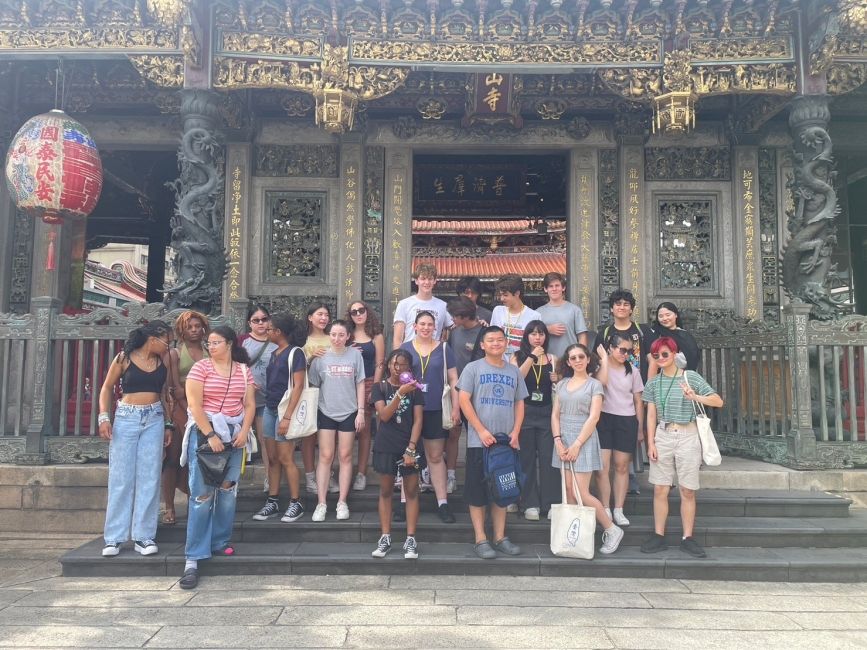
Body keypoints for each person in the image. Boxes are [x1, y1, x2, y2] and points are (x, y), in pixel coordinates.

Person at [179, 326, 256, 589]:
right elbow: (194, 404)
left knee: (227, 490)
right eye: (208, 343)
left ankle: (220, 541)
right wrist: (210, 433)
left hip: (234, 434)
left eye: (216, 342)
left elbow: (249, 404)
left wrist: (245, 430)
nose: (211, 346)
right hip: (205, 432)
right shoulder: (200, 368)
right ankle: (194, 555)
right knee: (201, 495)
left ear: (230, 343)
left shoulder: (244, 371)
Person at [640, 336, 723, 559]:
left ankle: (688, 537)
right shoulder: (653, 383)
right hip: (663, 434)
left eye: (665, 354)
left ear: (675, 353)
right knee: (660, 488)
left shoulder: (690, 377)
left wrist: (694, 396)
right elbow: (650, 414)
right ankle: (659, 535)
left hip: (688, 433)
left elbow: (718, 400)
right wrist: (650, 443)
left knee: (687, 488)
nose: (660, 359)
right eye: (656, 356)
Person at [98, 321, 172, 557]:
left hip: (155, 417)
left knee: (150, 476)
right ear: (154, 338)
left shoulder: (163, 361)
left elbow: (164, 394)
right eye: (167, 341)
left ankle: (143, 535)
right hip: (127, 417)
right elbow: (107, 387)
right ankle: (114, 537)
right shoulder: (124, 357)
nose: (169, 345)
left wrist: (168, 424)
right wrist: (103, 417)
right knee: (121, 476)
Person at [458, 326, 527, 559]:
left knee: (503, 490)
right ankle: (480, 539)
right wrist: (480, 430)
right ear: (482, 345)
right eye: (491, 340)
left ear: (506, 343)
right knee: (477, 491)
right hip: (480, 443)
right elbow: (464, 400)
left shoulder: (514, 372)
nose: (496, 343)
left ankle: (500, 537)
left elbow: (519, 403)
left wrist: (516, 432)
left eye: (500, 340)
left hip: (506, 443)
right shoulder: (472, 368)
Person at [551, 343, 625, 555]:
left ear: (587, 359)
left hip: (583, 438)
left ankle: (611, 529)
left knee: (581, 492)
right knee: (569, 491)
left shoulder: (594, 385)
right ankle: (574, 537)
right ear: (568, 362)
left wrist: (576, 445)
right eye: (572, 358)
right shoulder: (562, 384)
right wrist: (558, 440)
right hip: (563, 438)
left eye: (580, 356)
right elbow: (555, 414)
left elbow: (594, 417)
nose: (577, 361)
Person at [400, 311, 460, 523]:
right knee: (408, 456)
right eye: (422, 324)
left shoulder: (444, 348)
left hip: (435, 408)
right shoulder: (405, 348)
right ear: (414, 326)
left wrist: (456, 407)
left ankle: (442, 502)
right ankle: (405, 501)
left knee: (435, 457)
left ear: (435, 327)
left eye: (429, 324)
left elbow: (453, 378)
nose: (426, 327)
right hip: (410, 409)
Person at [252, 312, 307, 524]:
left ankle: (296, 501)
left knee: (286, 458)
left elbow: (299, 386)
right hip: (270, 407)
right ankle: (273, 500)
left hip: (284, 411)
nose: (266, 330)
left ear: (279, 332)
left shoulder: (295, 353)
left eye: (270, 327)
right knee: (272, 457)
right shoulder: (275, 353)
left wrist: (287, 417)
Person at [308, 319, 366, 522]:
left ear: (348, 336)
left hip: (349, 411)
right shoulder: (321, 357)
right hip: (326, 410)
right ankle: (321, 503)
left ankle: (342, 501)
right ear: (329, 335)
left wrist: (361, 411)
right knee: (325, 455)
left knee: (346, 455)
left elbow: (360, 383)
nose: (337, 338)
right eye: (333, 334)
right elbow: (313, 384)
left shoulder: (355, 355)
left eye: (341, 335)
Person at [371, 349, 425, 559]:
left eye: (402, 364)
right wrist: (400, 393)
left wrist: (411, 447)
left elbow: (418, 420)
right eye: (393, 363)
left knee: (411, 491)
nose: (397, 368)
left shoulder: (415, 389)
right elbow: (384, 415)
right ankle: (385, 536)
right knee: (385, 491)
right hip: (386, 444)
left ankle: (410, 538)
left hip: (409, 444)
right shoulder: (380, 387)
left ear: (408, 367)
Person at [595, 289, 650, 495]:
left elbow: (653, 357)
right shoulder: (605, 333)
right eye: (618, 304)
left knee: (632, 439)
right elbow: (596, 360)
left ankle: (631, 479)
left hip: (634, 387)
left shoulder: (641, 331)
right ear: (611, 309)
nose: (622, 307)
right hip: (609, 393)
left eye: (626, 304)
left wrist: (648, 387)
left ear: (632, 309)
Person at [161, 310, 209, 525]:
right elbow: (173, 387)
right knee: (172, 460)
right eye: (189, 327)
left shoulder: (209, 350)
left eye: (197, 326)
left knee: (195, 460)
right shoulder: (175, 353)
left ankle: (193, 501)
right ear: (181, 330)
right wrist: (184, 406)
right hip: (181, 410)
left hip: (205, 409)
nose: (194, 331)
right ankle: (169, 506)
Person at [510, 320, 560, 521]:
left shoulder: (553, 358)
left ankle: (550, 503)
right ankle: (529, 503)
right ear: (526, 336)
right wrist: (531, 357)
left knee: (549, 460)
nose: (537, 337)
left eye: (541, 334)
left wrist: (558, 378)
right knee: (526, 460)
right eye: (533, 334)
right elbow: (516, 378)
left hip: (547, 412)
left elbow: (557, 388)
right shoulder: (518, 356)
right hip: (525, 412)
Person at [594, 332, 645, 527]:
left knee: (622, 466)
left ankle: (619, 509)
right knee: (602, 467)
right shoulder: (599, 367)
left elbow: (638, 401)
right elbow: (601, 384)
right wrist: (605, 361)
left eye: (629, 351)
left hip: (626, 419)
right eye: (622, 350)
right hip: (604, 418)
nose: (626, 354)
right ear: (610, 348)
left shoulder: (633, 370)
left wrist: (640, 428)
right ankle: (605, 507)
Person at [445, 296, 484, 494]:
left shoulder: (484, 332)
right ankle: (451, 475)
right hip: (456, 390)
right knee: (454, 432)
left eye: (454, 316)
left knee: (477, 435)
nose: (452, 319)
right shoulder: (454, 332)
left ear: (463, 316)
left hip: (478, 394)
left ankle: (476, 476)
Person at [346, 300, 385, 491]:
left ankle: (361, 472)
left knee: (365, 431)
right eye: (354, 312)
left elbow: (380, 363)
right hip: (346, 384)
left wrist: (375, 388)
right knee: (345, 429)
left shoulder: (375, 335)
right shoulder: (347, 334)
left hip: (369, 381)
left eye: (361, 310)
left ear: (367, 311)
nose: (358, 314)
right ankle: (343, 470)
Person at [238, 305, 277, 492]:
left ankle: (270, 477)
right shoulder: (243, 342)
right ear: (249, 323)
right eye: (256, 320)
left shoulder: (276, 342)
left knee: (264, 438)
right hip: (242, 399)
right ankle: (232, 479)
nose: (261, 323)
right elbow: (236, 367)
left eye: (264, 319)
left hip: (266, 399)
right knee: (238, 438)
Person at [302, 302, 336, 495]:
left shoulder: (333, 339)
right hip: (309, 393)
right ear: (310, 317)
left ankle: (327, 474)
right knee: (309, 436)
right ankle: (310, 476)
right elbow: (296, 369)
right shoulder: (303, 340)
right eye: (319, 314)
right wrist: (311, 357)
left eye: (326, 315)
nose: (323, 318)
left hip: (331, 395)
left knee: (329, 439)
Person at [392, 263, 453, 348]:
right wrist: (397, 358)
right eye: (423, 279)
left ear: (435, 281)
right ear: (416, 281)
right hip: (409, 354)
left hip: (434, 354)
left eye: (430, 279)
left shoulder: (443, 306)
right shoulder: (404, 304)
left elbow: (454, 327)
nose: (427, 282)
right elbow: (397, 339)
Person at [537, 272, 589, 359]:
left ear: (563, 288)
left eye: (557, 285)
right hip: (547, 360)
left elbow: (582, 336)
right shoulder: (538, 312)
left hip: (570, 359)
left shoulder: (574, 310)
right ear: (545, 289)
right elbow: (532, 335)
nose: (554, 289)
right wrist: (547, 329)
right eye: (550, 286)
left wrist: (581, 357)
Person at [490, 273, 541, 360]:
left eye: (505, 295)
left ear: (517, 293)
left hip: (522, 365)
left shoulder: (534, 316)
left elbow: (536, 346)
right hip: (498, 363)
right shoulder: (498, 311)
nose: (502, 299)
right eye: (501, 295)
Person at [646, 301, 701, 379]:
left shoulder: (684, 335)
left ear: (675, 315)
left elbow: (690, 357)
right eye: (661, 316)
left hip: (680, 377)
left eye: (668, 315)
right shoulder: (653, 334)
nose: (664, 318)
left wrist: (667, 358)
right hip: (657, 377)